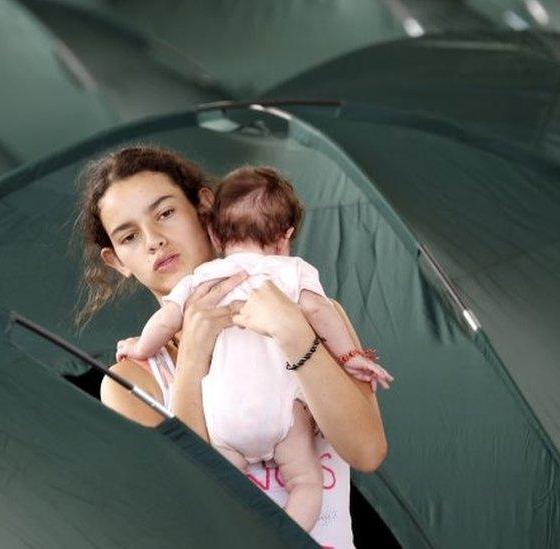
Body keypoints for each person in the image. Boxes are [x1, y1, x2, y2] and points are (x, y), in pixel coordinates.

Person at [75, 146, 387, 548]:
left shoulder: (311, 311)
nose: (154, 241)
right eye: (130, 236)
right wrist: (191, 362)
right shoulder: (132, 379)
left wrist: (293, 333)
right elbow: (196, 507)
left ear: (204, 206)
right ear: (116, 261)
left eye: (166, 213)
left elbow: (366, 452)